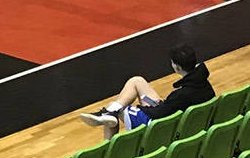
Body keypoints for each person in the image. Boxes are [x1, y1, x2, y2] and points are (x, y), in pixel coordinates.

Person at [80, 44, 216, 136]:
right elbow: (171, 107)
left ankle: (108, 146)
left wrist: (142, 108)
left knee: (118, 109)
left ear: (177, 67)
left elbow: (160, 114)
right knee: (137, 81)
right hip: (174, 119)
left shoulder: (181, 94)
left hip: (160, 127)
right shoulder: (205, 86)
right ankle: (109, 112)